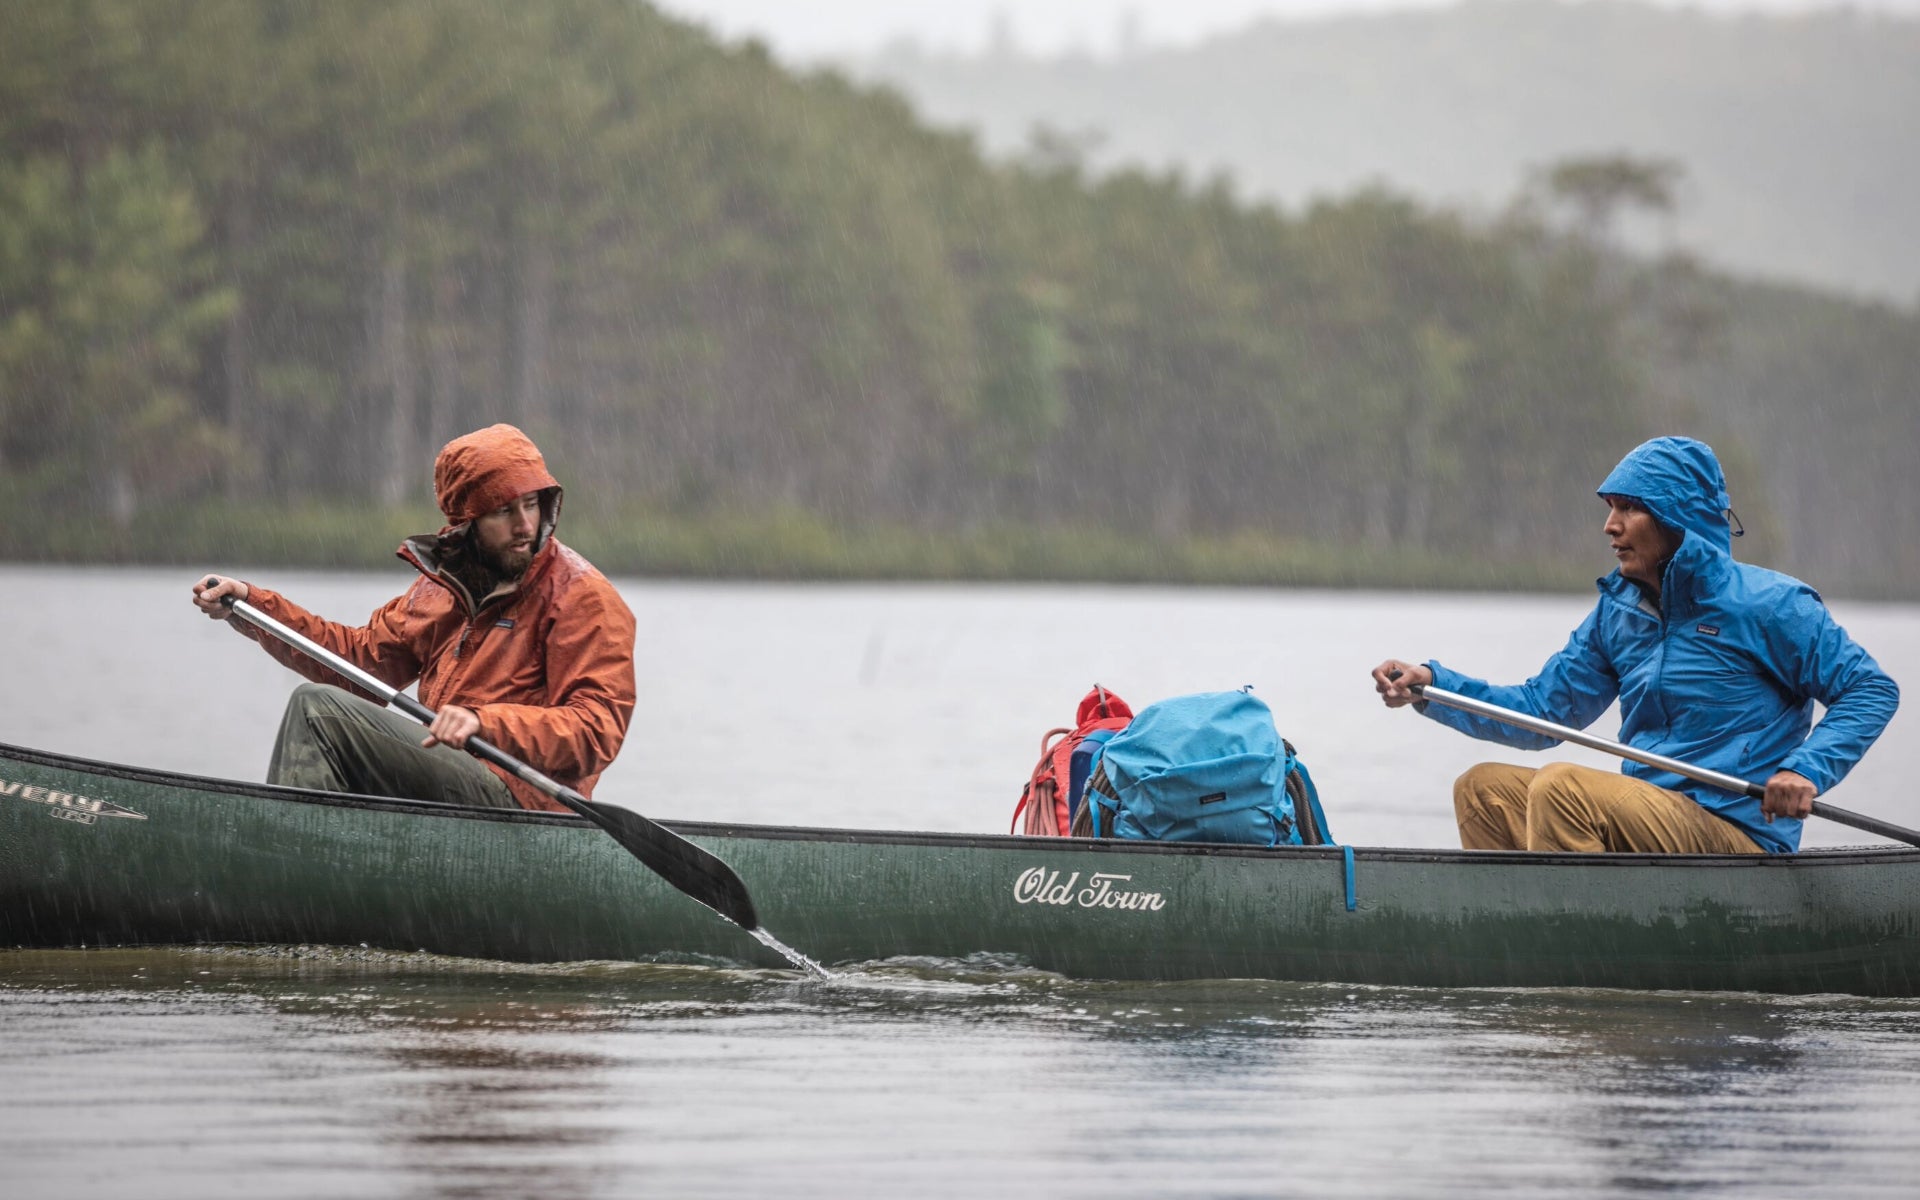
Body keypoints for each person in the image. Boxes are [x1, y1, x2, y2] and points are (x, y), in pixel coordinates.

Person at [1370, 436, 1898, 854]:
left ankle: (1577, 962)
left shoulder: (1771, 605)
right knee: (1481, 789)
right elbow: (1541, 712)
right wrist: (1432, 688)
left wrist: (1805, 770)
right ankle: (1520, 952)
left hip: (1737, 831)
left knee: (1561, 789)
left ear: (1678, 521)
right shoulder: (1619, 611)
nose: (1610, 525)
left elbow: (1870, 689)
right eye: (1609, 507)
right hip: (1646, 816)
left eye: (1628, 508)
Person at [192, 423, 637, 813]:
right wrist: (251, 607)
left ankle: (293, 869)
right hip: (445, 775)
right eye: (504, 511)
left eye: (532, 504)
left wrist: (485, 722)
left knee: (317, 712)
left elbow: (596, 730)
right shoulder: (443, 589)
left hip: (521, 802)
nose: (525, 525)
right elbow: (359, 665)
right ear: (467, 520)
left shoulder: (583, 598)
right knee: (327, 714)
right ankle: (325, 865)